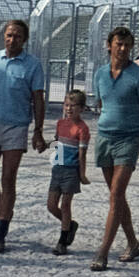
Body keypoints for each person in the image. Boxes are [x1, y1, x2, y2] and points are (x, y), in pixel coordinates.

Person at [0, 18, 47, 254]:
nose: (11, 39)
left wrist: (38, 130)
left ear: (24, 40)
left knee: (8, 178)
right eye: (8, 35)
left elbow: (37, 98)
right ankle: (3, 208)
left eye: (16, 36)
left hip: (16, 126)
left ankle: (1, 230)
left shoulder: (32, 65)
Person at [90, 27, 139, 270]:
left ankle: (103, 251)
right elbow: (102, 102)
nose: (123, 49)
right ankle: (133, 242)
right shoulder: (100, 75)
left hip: (129, 139)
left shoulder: (138, 76)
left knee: (116, 195)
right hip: (105, 137)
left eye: (127, 45)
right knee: (117, 197)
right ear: (109, 45)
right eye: (119, 43)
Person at [48, 89, 90, 255]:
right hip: (57, 168)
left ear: (82, 108)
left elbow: (82, 154)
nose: (69, 109)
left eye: (73, 106)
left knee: (65, 205)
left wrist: (82, 174)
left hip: (71, 171)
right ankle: (70, 224)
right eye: (66, 105)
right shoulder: (60, 124)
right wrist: (45, 144)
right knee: (51, 205)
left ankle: (62, 240)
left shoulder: (82, 129)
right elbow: (58, 143)